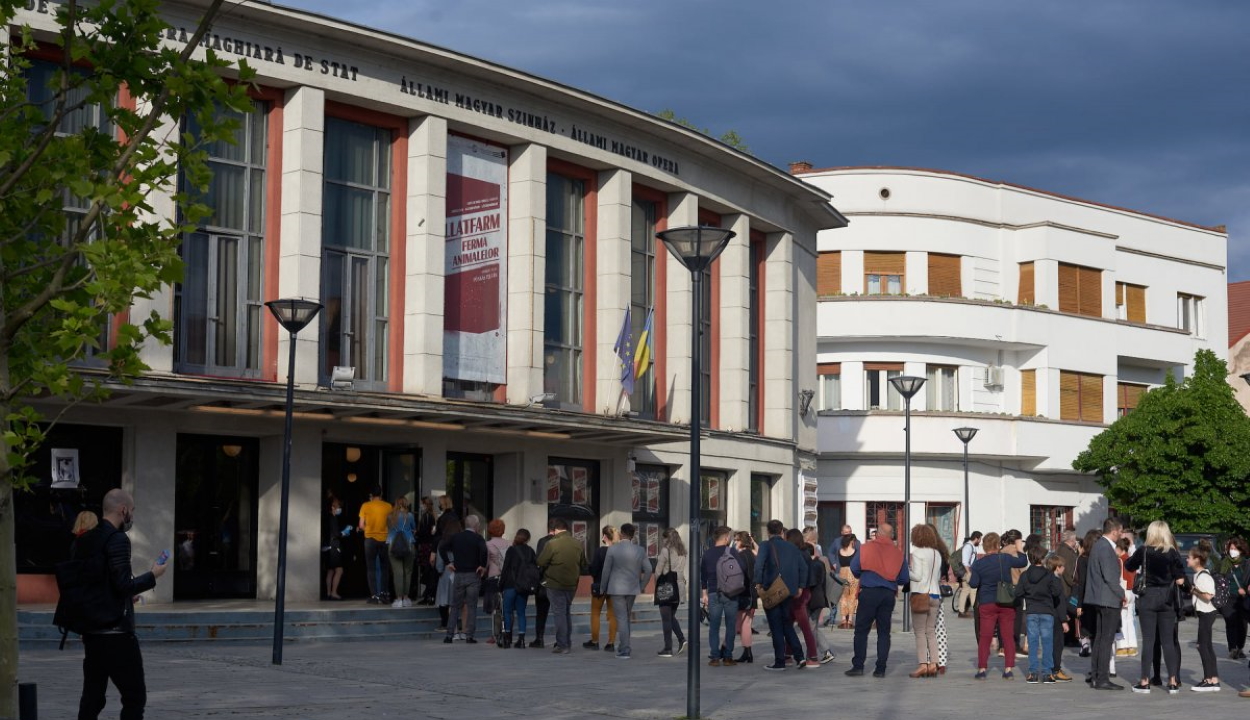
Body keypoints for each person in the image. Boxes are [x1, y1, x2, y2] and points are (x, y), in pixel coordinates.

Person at [75, 488, 167, 720]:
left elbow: (95, 584)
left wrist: (124, 596)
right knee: (135, 697)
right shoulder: (118, 539)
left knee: (93, 698)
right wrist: (153, 575)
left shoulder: (85, 539)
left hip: (92, 632)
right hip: (117, 634)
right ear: (123, 509)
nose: (132, 516)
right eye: (132, 510)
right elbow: (123, 584)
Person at [1123, 519, 1186, 694]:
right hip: (1167, 598)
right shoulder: (1172, 553)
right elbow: (1180, 578)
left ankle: (1144, 681)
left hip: (1148, 598)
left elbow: (1129, 566)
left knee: (1149, 641)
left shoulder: (1144, 550)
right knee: (1168, 641)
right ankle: (1173, 681)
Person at [847, 522, 909, 678]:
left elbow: (854, 568)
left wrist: (866, 574)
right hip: (888, 594)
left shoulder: (865, 548)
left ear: (877, 534)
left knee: (861, 631)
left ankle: (858, 666)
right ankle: (880, 669)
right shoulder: (898, 553)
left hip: (868, 593)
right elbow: (904, 578)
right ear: (891, 536)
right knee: (883, 632)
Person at [969, 531, 1027, 679]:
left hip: (987, 602)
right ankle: (1008, 669)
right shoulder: (1005, 559)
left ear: (984, 546)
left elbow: (974, 584)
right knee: (1008, 636)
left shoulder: (979, 563)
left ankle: (982, 669)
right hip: (1006, 602)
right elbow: (1022, 562)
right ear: (997, 544)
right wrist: (1020, 548)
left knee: (985, 636)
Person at [754, 519, 807, 671]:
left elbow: (759, 565)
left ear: (768, 532)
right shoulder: (792, 547)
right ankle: (800, 656)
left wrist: (758, 583)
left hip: (772, 588)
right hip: (788, 590)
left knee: (776, 626)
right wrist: (800, 587)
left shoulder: (765, 545)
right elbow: (803, 567)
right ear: (782, 531)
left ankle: (780, 661)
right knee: (787, 624)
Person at [1084, 517, 1126, 690]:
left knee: (1100, 639)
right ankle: (1102, 678)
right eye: (1121, 531)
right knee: (1106, 639)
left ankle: (1096, 676)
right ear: (1114, 530)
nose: (1122, 534)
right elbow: (1110, 577)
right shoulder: (1106, 547)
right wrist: (1122, 594)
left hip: (1099, 598)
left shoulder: (1098, 545)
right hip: (1108, 599)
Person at [536, 517, 588, 654]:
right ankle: (567, 642)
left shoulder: (552, 543)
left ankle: (562, 644)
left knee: (559, 614)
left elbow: (540, 561)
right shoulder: (578, 543)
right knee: (566, 613)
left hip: (554, 583)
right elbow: (584, 564)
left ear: (556, 529)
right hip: (571, 584)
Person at [601, 523, 652, 660]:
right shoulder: (640, 550)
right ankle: (625, 646)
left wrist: (602, 587)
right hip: (632, 588)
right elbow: (648, 570)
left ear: (622, 533)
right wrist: (642, 585)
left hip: (616, 588)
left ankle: (624, 649)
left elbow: (606, 570)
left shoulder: (612, 549)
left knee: (622, 618)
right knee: (626, 617)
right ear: (633, 534)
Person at [1014, 544, 1062, 684]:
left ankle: (1033, 673)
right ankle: (1047, 673)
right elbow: (1056, 592)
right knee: (1047, 643)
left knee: (1033, 643)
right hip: (1047, 611)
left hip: (1031, 611)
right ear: (1042, 559)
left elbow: (1018, 593)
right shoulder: (1049, 574)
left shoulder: (1025, 575)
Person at [442, 514, 487, 644]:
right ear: (476, 525)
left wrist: (448, 562)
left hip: (459, 574)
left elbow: (442, 547)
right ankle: (469, 635)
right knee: (471, 606)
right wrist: (482, 566)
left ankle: (449, 635)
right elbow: (484, 551)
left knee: (455, 605)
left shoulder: (456, 537)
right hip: (473, 574)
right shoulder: (478, 538)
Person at [908, 523, 943, 678]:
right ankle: (934, 663)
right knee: (931, 631)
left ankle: (923, 664)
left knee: (920, 632)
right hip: (936, 594)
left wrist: (906, 571)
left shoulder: (917, 553)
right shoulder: (937, 553)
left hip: (921, 594)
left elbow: (917, 575)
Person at [1189, 539, 1222, 692]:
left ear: (1197, 559)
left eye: (1189, 557)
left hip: (1207, 612)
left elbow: (1208, 596)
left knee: (1202, 645)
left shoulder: (1203, 576)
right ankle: (1213, 679)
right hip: (1204, 613)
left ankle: (1209, 679)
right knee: (1206, 645)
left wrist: (1194, 591)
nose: (1187, 559)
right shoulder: (1198, 575)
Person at [499, 528, 536, 648]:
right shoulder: (530, 551)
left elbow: (505, 569)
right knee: (521, 613)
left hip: (510, 585)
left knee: (507, 612)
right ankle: (521, 640)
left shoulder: (511, 550)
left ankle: (507, 638)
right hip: (523, 586)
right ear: (528, 539)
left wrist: (500, 585)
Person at [584, 525, 619, 651]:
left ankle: (595, 641)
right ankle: (611, 643)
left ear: (604, 536)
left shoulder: (600, 551)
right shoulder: (619, 551)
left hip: (599, 586)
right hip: (615, 587)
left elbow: (594, 569)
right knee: (613, 615)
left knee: (595, 613)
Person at [802, 540, 837, 665]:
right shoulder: (819, 563)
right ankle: (825, 651)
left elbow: (811, 582)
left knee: (811, 627)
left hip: (813, 600)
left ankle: (813, 654)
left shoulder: (812, 565)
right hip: (819, 599)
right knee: (813, 627)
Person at [655, 528, 688, 658]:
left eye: (663, 538)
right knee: (671, 616)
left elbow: (658, 571)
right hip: (679, 587)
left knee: (666, 619)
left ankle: (668, 648)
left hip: (666, 587)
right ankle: (681, 640)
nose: (662, 540)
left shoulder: (665, 551)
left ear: (667, 538)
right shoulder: (682, 552)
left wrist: (656, 582)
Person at [358, 485, 393, 604]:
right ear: (381, 493)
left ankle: (374, 596)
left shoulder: (365, 506)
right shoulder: (388, 506)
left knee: (371, 568)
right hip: (384, 539)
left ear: (371, 495)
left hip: (370, 539)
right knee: (385, 568)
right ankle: (384, 594)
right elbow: (391, 523)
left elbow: (361, 525)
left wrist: (366, 529)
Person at [1219, 537, 1250, 660]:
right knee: (1230, 623)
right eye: (1231, 549)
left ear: (1241, 550)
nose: (1233, 551)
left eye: (1235, 549)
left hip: (1243, 597)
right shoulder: (1224, 563)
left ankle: (1240, 647)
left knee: (1242, 624)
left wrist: (1246, 589)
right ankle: (1232, 648)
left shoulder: (1246, 563)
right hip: (1228, 597)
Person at [529, 519, 557, 649]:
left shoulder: (542, 541)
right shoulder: (563, 542)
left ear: (548, 528)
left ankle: (539, 639)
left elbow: (538, 562)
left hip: (544, 583)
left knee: (541, 613)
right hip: (558, 583)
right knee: (560, 612)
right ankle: (560, 639)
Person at [732, 531, 758, 663]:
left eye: (736, 540)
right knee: (746, 624)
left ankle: (724, 649)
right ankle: (748, 652)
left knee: (738, 624)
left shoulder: (740, 556)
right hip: (753, 592)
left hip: (743, 593)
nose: (734, 542)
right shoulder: (753, 554)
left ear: (741, 541)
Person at [387, 497, 416, 607]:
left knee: (397, 572)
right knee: (407, 572)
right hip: (408, 544)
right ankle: (406, 598)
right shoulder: (409, 516)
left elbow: (388, 528)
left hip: (392, 544)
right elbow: (414, 528)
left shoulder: (390, 516)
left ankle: (398, 599)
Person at [483, 518, 509, 640]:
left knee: (494, 607)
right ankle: (506, 631)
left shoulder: (488, 544)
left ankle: (494, 635)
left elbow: (486, 563)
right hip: (507, 578)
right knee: (505, 606)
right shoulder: (509, 543)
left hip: (493, 577)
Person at [1114, 535, 1138, 657]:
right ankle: (1132, 646)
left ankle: (1122, 646)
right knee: (1130, 620)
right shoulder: (1131, 559)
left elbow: (1120, 578)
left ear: (1119, 548)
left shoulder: (1120, 560)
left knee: (1122, 620)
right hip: (1132, 591)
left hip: (1123, 591)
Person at [324, 498, 348, 600]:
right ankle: (334, 592)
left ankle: (328, 592)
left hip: (327, 546)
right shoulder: (333, 518)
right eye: (338, 506)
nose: (339, 508)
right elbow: (336, 534)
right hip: (334, 546)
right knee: (339, 570)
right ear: (332, 507)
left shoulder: (327, 518)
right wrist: (344, 533)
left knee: (330, 571)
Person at [415, 497, 437, 604]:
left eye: (422, 504)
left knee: (427, 571)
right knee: (429, 571)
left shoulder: (426, 516)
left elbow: (425, 532)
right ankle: (429, 594)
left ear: (425, 504)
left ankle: (428, 595)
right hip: (429, 545)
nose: (421, 506)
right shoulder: (432, 516)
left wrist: (417, 533)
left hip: (425, 546)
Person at [955, 532, 982, 617]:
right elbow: (965, 561)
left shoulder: (970, 546)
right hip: (968, 572)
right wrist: (969, 572)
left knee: (966, 591)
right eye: (980, 539)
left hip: (968, 572)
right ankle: (975, 611)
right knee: (973, 591)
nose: (980, 541)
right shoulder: (968, 547)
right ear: (976, 538)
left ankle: (961, 610)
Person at [836, 533, 860, 629]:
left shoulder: (840, 551)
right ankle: (850, 620)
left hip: (842, 573)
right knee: (853, 596)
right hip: (852, 573)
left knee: (843, 597)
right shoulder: (855, 551)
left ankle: (843, 619)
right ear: (851, 541)